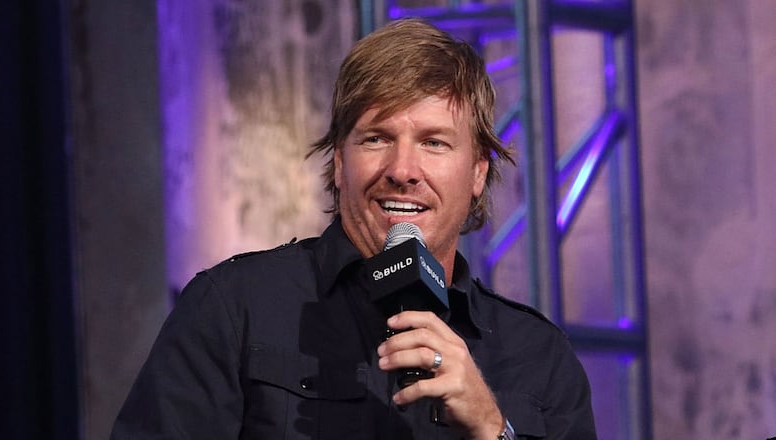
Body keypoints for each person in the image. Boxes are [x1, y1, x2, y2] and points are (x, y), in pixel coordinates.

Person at [111, 18, 596, 439]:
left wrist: (492, 428)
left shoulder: (541, 357)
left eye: (434, 142)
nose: (403, 169)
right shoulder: (234, 308)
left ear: (477, 173)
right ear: (340, 161)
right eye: (377, 138)